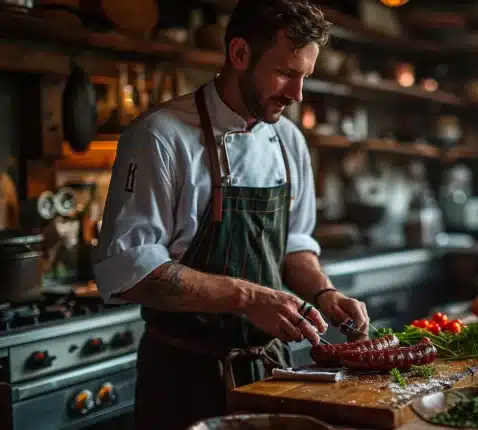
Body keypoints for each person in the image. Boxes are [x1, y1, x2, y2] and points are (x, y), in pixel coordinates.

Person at [92, 1, 370, 428]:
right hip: (185, 379)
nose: (296, 95)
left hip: (273, 375)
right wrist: (249, 297)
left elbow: (294, 244)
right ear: (239, 54)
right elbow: (131, 271)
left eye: (304, 78)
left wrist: (324, 295)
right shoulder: (160, 137)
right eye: (284, 73)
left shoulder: (288, 140)